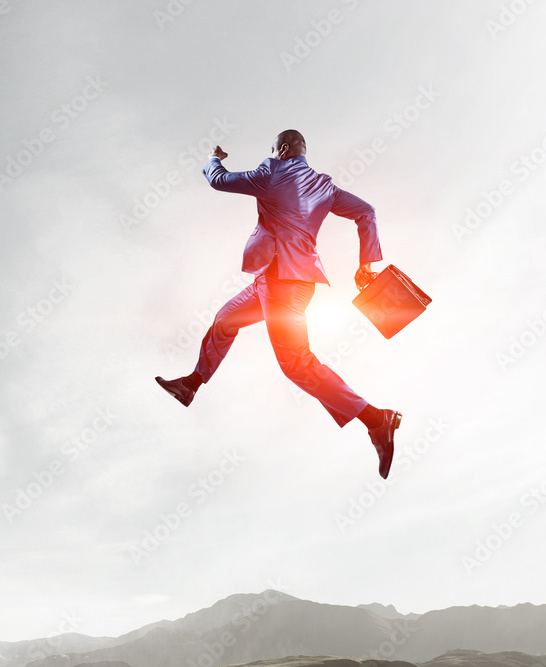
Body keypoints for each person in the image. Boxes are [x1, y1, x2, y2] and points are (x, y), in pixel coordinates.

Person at [155, 130, 401, 478]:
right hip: (274, 283)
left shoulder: (272, 171)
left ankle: (376, 419)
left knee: (297, 365)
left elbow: (219, 181)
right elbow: (367, 212)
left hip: (283, 287)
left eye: (272, 149)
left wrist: (213, 157)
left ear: (283, 150)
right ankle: (190, 384)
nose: (270, 154)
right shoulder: (324, 186)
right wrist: (365, 264)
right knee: (226, 319)